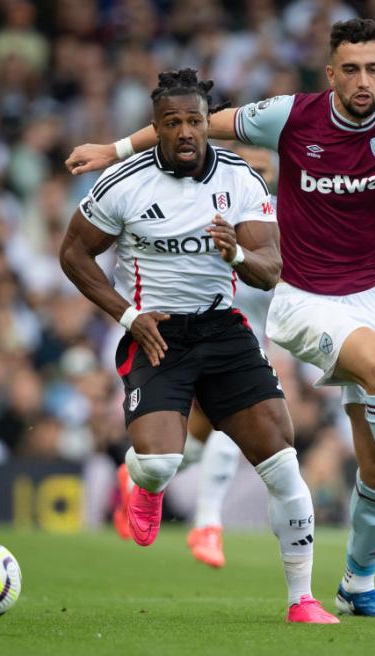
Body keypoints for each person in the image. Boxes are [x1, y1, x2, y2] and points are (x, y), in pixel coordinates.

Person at [66, 18, 375, 618]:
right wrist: (116, 149)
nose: (362, 80)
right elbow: (195, 122)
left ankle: (357, 585)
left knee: (374, 466)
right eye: (350, 69)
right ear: (331, 74)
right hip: (303, 296)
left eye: (373, 68)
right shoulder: (291, 115)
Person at [59, 69, 338, 624]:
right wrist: (128, 315)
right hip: (157, 333)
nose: (185, 131)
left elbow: (272, 268)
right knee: (159, 464)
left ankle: (302, 599)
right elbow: (73, 254)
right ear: (155, 128)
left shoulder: (240, 179)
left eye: (194, 121)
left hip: (223, 329)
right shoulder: (123, 183)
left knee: (283, 464)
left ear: (206, 125)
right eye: (172, 123)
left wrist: (235, 255)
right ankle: (141, 480)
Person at [114, 146, 278, 571]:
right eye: (250, 166)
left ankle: (139, 475)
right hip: (194, 333)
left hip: (245, 335)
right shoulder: (207, 200)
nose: (257, 174)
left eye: (264, 168)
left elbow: (277, 273)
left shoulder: (267, 214)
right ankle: (206, 523)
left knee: (204, 437)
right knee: (219, 427)